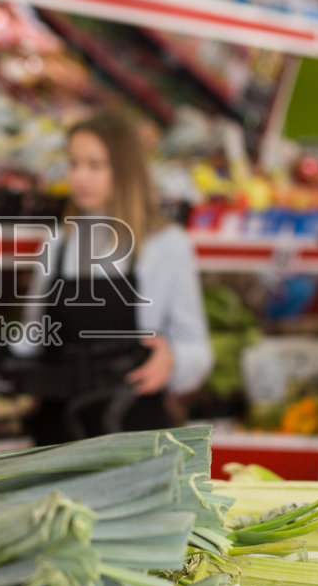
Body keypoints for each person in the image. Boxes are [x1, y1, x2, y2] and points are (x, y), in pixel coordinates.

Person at [19, 112, 212, 444]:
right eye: (73, 163)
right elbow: (32, 338)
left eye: (95, 165)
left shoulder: (165, 246)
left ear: (125, 171)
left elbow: (197, 348)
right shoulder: (58, 243)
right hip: (57, 440)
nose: (80, 177)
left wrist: (173, 360)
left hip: (134, 438)